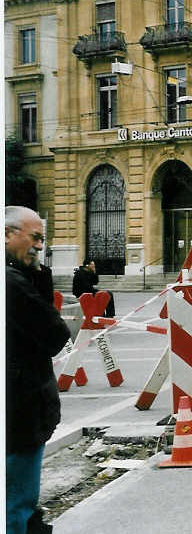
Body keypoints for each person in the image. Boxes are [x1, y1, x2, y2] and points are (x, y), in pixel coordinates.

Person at [6, 206, 71, 533]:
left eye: (42, 239)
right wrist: (40, 276)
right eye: (34, 237)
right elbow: (55, 334)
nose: (40, 246)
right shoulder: (11, 284)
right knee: (15, 505)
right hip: (20, 411)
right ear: (7, 234)